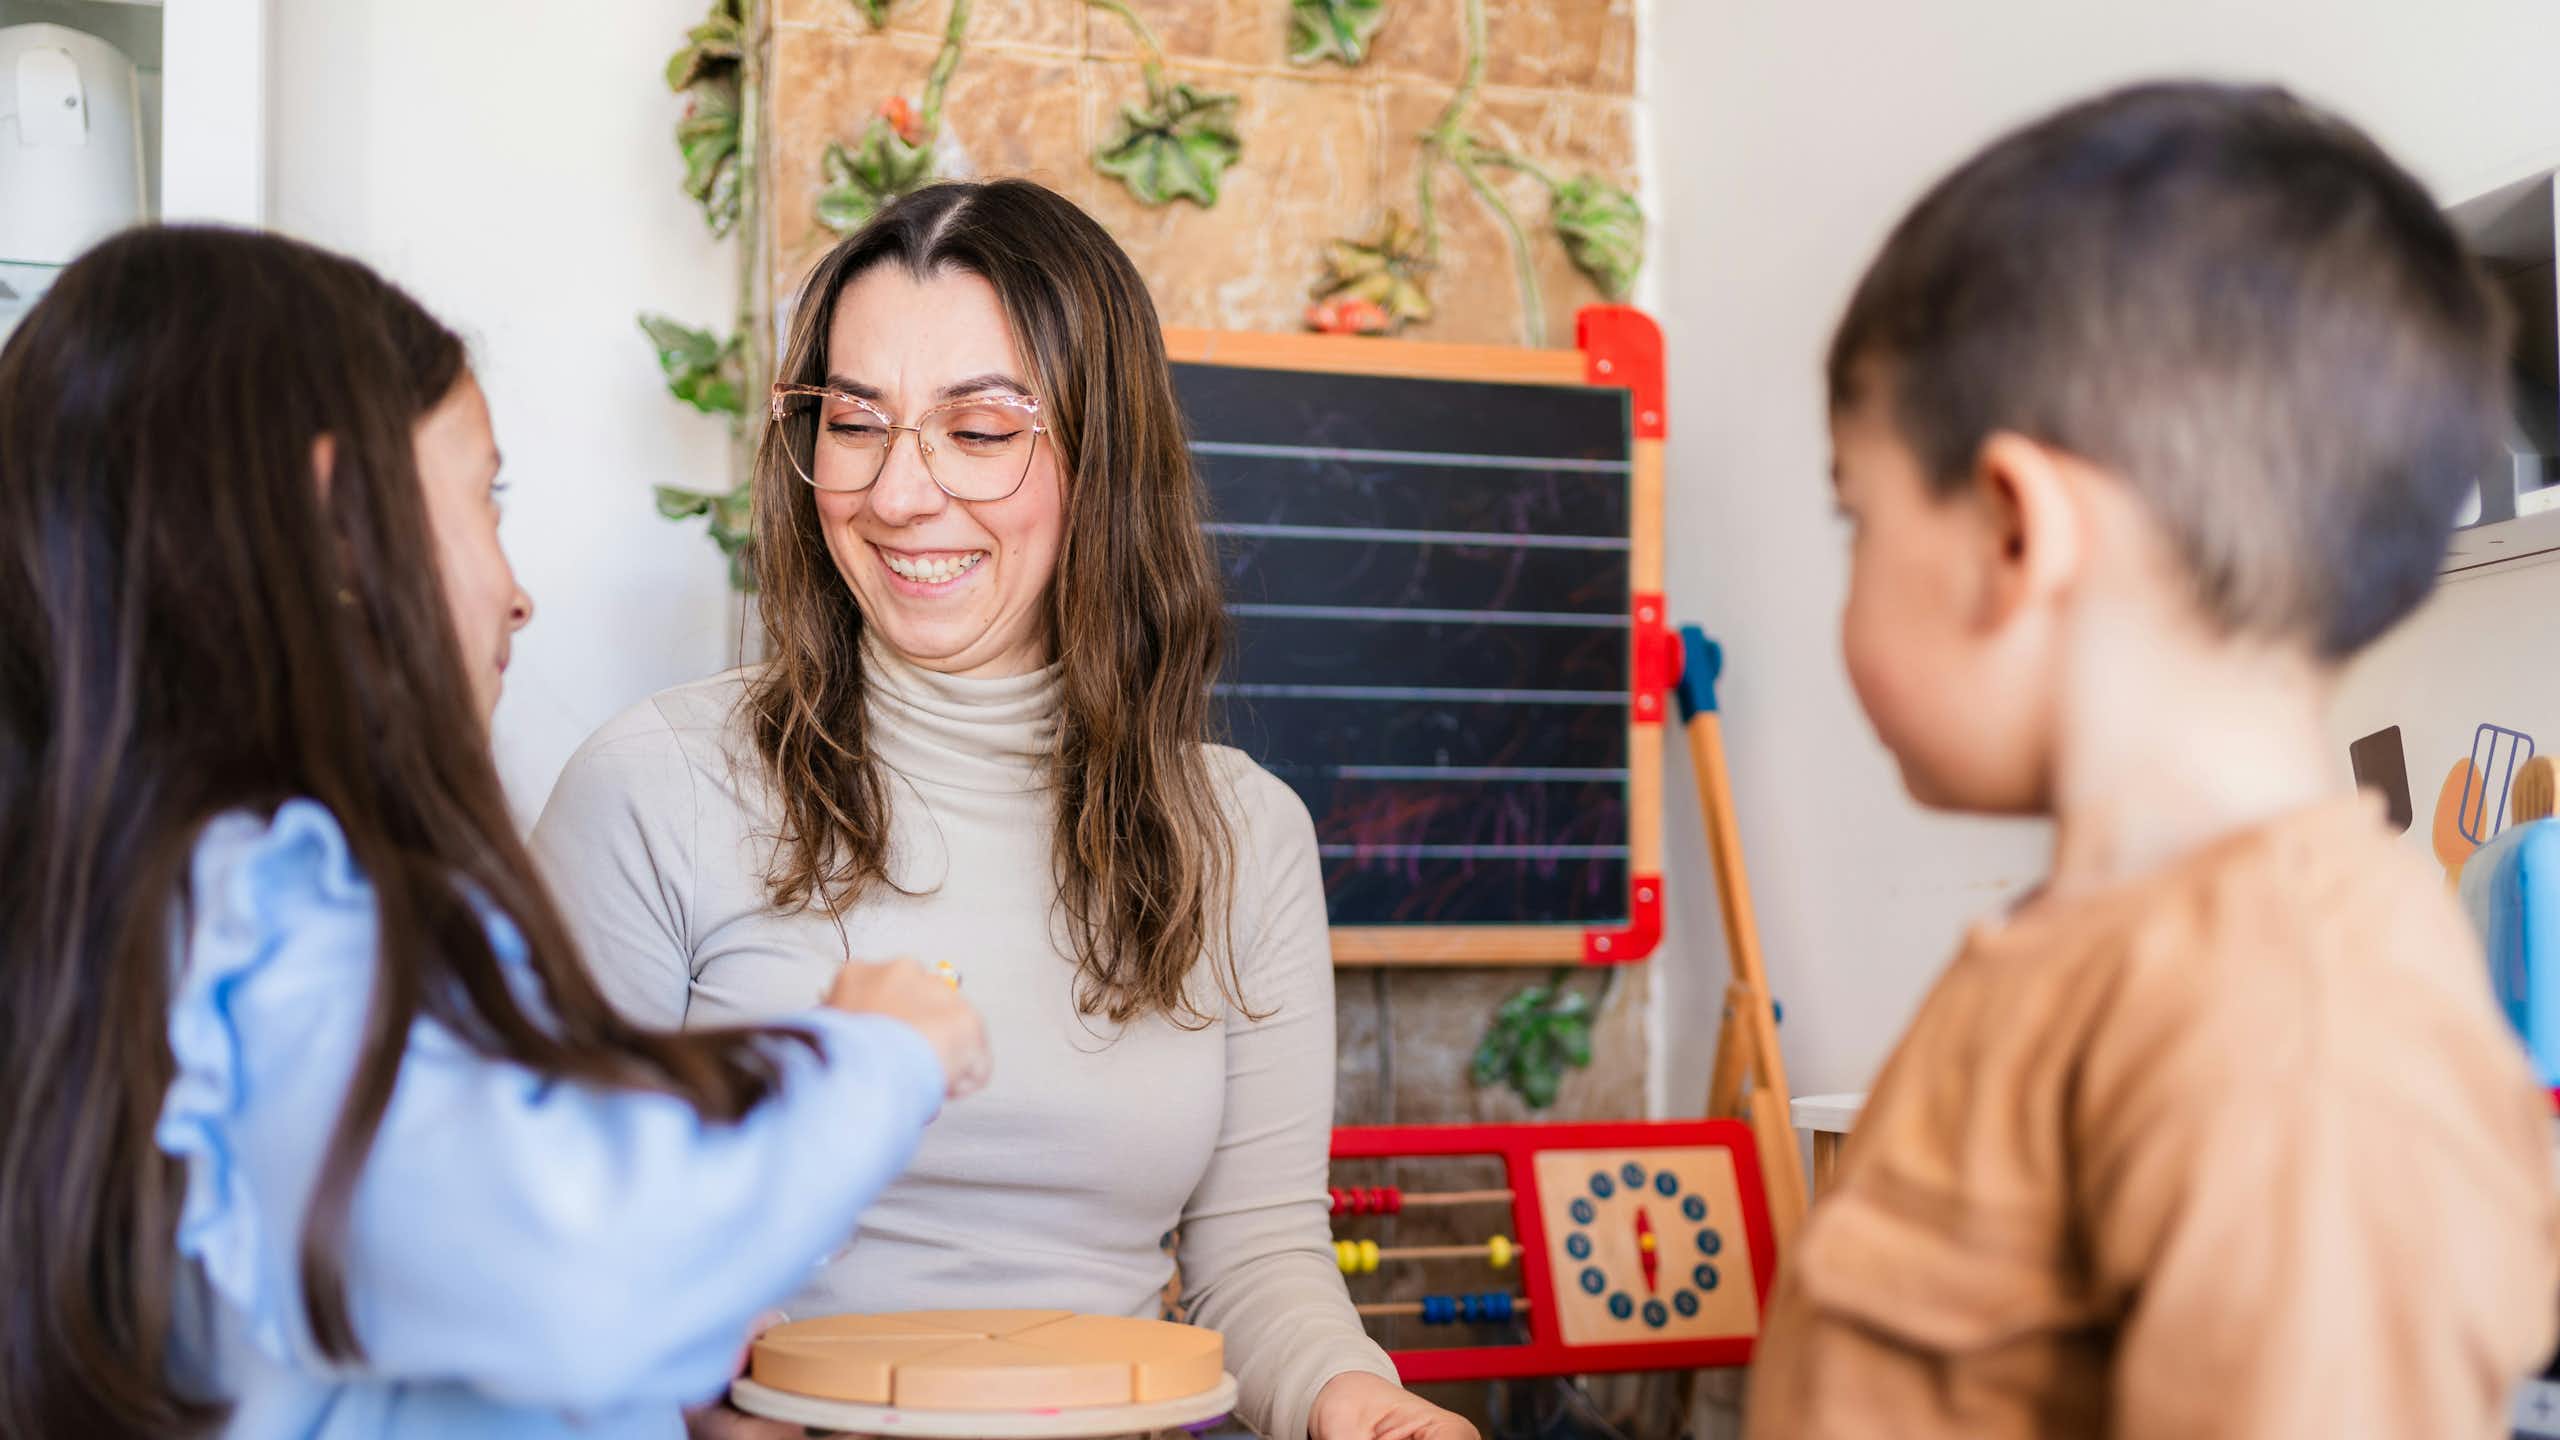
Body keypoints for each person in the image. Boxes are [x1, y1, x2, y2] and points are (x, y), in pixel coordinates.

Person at [0, 225, 988, 1440]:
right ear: (340, 524)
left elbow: (432, 1266)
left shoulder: (176, 898)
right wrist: (867, 1058)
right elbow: (572, 1262)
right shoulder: (278, 910)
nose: (517, 587)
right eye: (485, 495)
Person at [531, 180, 1471, 1440]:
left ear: (1105, 456)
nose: (899, 495)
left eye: (978, 431)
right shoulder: (652, 788)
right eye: (853, 423)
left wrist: (1361, 1404)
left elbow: (1255, 1257)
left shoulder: (1242, 834)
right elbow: (547, 1252)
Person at [1743, 81, 2560, 1438]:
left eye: (1858, 519)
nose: (1846, 587)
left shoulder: (2288, 1027)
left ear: (2018, 534)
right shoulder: (2105, 950)